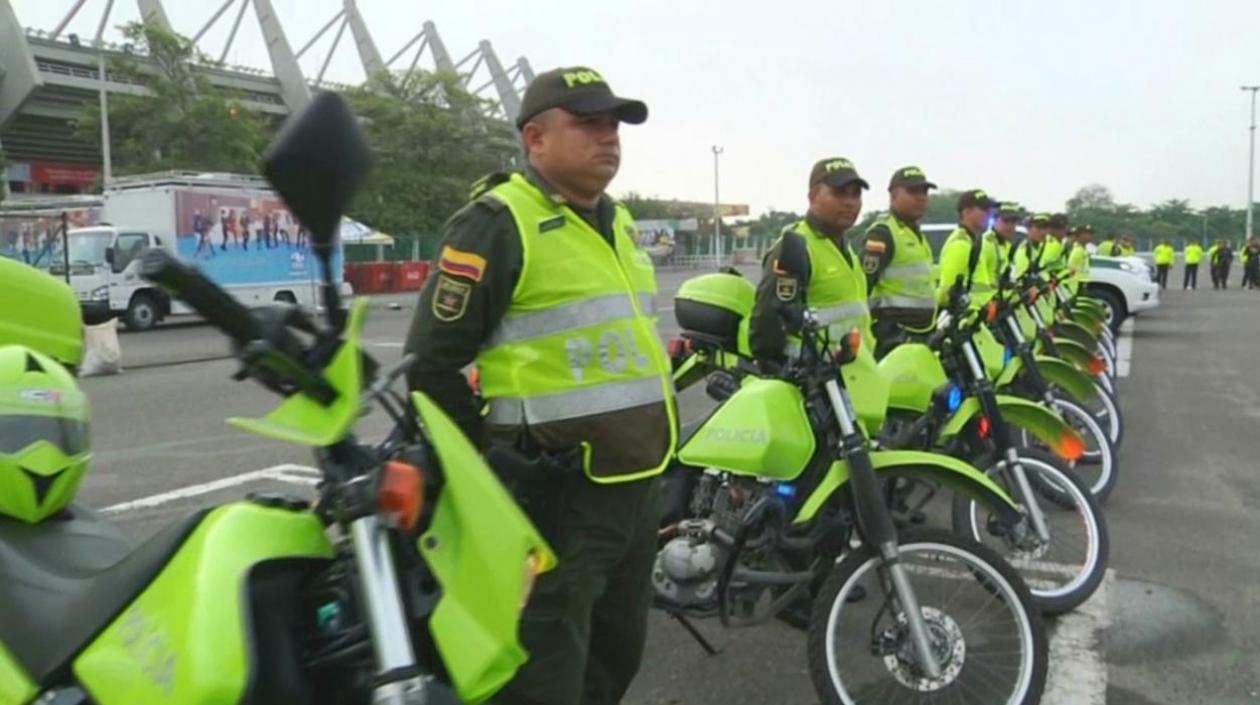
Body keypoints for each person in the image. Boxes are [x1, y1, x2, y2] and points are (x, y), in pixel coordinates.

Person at [403, 66, 672, 705]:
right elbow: (428, 365)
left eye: (614, 125)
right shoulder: (498, 223)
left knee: (614, 660)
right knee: (543, 675)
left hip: (634, 490)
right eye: (588, 124)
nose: (608, 138)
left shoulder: (620, 222)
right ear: (536, 139)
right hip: (557, 497)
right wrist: (491, 473)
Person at [750, 157, 872, 367]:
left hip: (855, 376)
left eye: (856, 194)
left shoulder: (845, 247)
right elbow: (768, 326)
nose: (850, 202)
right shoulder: (795, 247)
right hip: (815, 382)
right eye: (839, 193)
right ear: (813, 196)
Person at [861, 166, 938, 356]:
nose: (921, 197)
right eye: (913, 191)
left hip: (921, 333)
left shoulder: (915, 233)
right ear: (893, 196)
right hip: (893, 336)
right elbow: (863, 285)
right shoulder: (883, 233)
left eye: (924, 191)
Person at [935, 189, 998, 307]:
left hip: (979, 316)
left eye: (989, 210)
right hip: (968, 320)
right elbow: (949, 292)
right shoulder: (960, 243)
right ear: (967, 212)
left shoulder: (971, 241)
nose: (988, 213)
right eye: (983, 209)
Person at [986, 201, 1022, 283]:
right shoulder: (987, 243)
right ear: (995, 220)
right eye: (1005, 221)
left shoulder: (1007, 245)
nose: (1010, 226)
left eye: (1013, 222)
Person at [1013, 212, 1053, 280]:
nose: (1043, 232)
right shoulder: (1024, 250)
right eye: (1039, 227)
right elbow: (1021, 279)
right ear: (1029, 229)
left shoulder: (1044, 246)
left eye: (1045, 228)